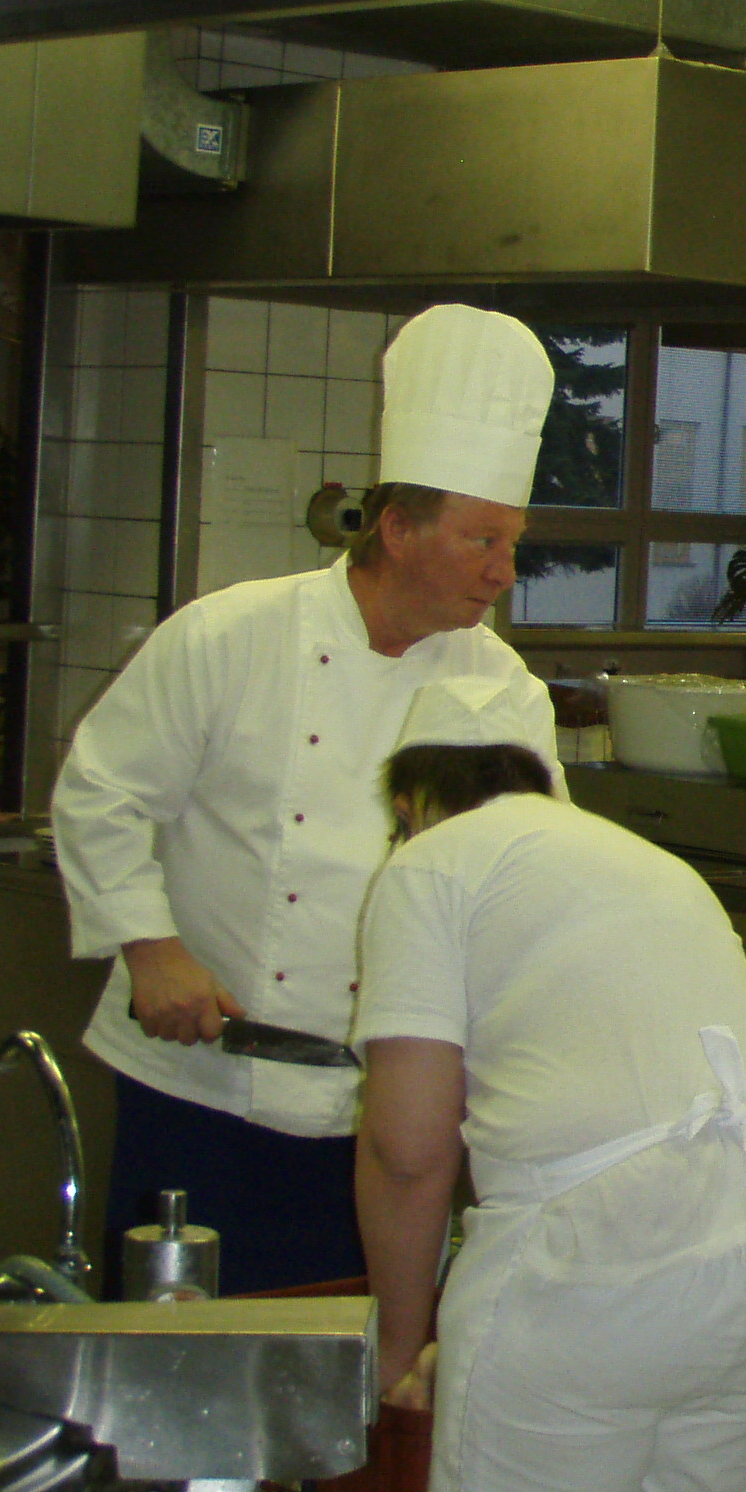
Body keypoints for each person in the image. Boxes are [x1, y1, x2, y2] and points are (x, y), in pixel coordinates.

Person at [352, 677, 746, 1492]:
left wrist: (400, 1345)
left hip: (598, 1249)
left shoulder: (430, 865)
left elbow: (406, 1148)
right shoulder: (643, 861)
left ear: (412, 802)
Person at [53, 303, 560, 1293]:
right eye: (482, 541)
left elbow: (532, 878)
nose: (505, 573)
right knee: (177, 1355)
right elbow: (101, 792)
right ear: (398, 529)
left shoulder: (504, 689)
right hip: (198, 1085)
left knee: (347, 1355)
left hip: (381, 1104)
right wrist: (150, 948)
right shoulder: (231, 636)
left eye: (513, 543)